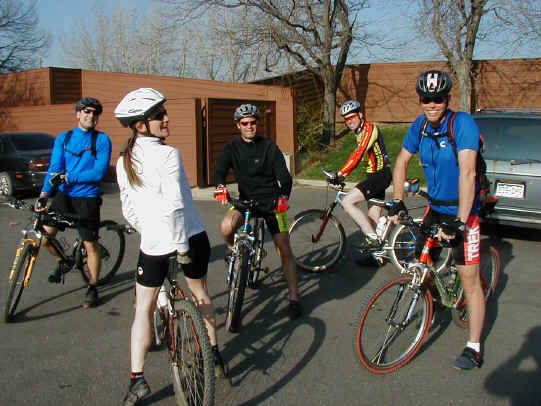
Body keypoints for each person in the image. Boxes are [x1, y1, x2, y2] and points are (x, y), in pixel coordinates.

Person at [114, 88, 226, 405]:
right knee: (200, 295)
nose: (166, 118)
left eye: (164, 112)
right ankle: (213, 354)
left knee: (143, 309)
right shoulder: (167, 154)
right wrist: (180, 247)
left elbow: (129, 210)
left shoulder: (124, 161)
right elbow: (176, 207)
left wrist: (149, 232)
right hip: (189, 238)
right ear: (140, 125)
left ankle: (137, 380)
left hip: (154, 245)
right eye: (158, 115)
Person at [390, 69, 486, 370]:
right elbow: (402, 161)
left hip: (463, 210)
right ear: (420, 99)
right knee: (420, 261)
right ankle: (436, 297)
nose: (432, 104)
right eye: (426, 98)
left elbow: (468, 172)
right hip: (435, 207)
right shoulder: (420, 126)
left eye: (438, 99)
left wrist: (459, 221)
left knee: (469, 280)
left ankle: (474, 346)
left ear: (447, 99)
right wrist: (397, 201)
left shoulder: (462, 124)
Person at [214, 103, 302, 320]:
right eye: (245, 123)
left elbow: (285, 177)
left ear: (257, 124)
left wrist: (283, 198)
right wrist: (220, 187)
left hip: (271, 203)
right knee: (226, 227)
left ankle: (294, 298)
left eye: (253, 122)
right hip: (245, 201)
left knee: (284, 248)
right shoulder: (231, 147)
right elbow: (219, 171)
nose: (250, 126)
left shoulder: (269, 147)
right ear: (238, 125)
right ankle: (234, 252)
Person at [35, 97, 112, 308]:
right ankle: (64, 261)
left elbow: (98, 171)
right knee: (45, 237)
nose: (91, 116)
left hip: (87, 198)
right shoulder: (64, 138)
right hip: (64, 197)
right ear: (77, 113)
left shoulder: (102, 140)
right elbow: (54, 167)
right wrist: (44, 193)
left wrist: (71, 177)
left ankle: (93, 286)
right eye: (87, 112)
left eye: (95, 113)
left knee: (90, 244)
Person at [330, 100, 391, 250]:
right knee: (372, 220)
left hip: (380, 175)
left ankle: (373, 240)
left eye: (352, 117)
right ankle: (377, 256)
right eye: (346, 119)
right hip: (373, 176)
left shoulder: (370, 129)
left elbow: (358, 154)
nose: (349, 122)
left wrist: (341, 173)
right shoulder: (359, 132)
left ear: (360, 115)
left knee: (347, 202)